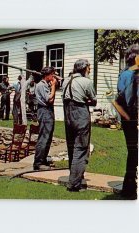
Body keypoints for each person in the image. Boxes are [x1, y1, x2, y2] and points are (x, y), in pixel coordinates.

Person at [62, 59, 97, 192]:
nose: (89, 70)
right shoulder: (86, 82)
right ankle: (74, 184)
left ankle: (76, 176)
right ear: (83, 68)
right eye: (88, 67)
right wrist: (85, 99)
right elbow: (93, 101)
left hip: (68, 115)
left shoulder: (65, 81)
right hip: (80, 114)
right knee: (81, 148)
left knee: (72, 147)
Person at [116, 44, 138, 199]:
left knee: (133, 151)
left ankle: (128, 187)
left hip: (126, 118)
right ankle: (130, 188)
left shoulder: (123, 73)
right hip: (134, 116)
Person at [33, 67, 57, 170]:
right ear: (46, 75)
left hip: (48, 111)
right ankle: (38, 163)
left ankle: (43, 160)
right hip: (44, 111)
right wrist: (54, 87)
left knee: (48, 138)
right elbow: (49, 99)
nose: (53, 77)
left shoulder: (46, 85)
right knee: (44, 137)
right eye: (52, 74)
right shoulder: (41, 85)